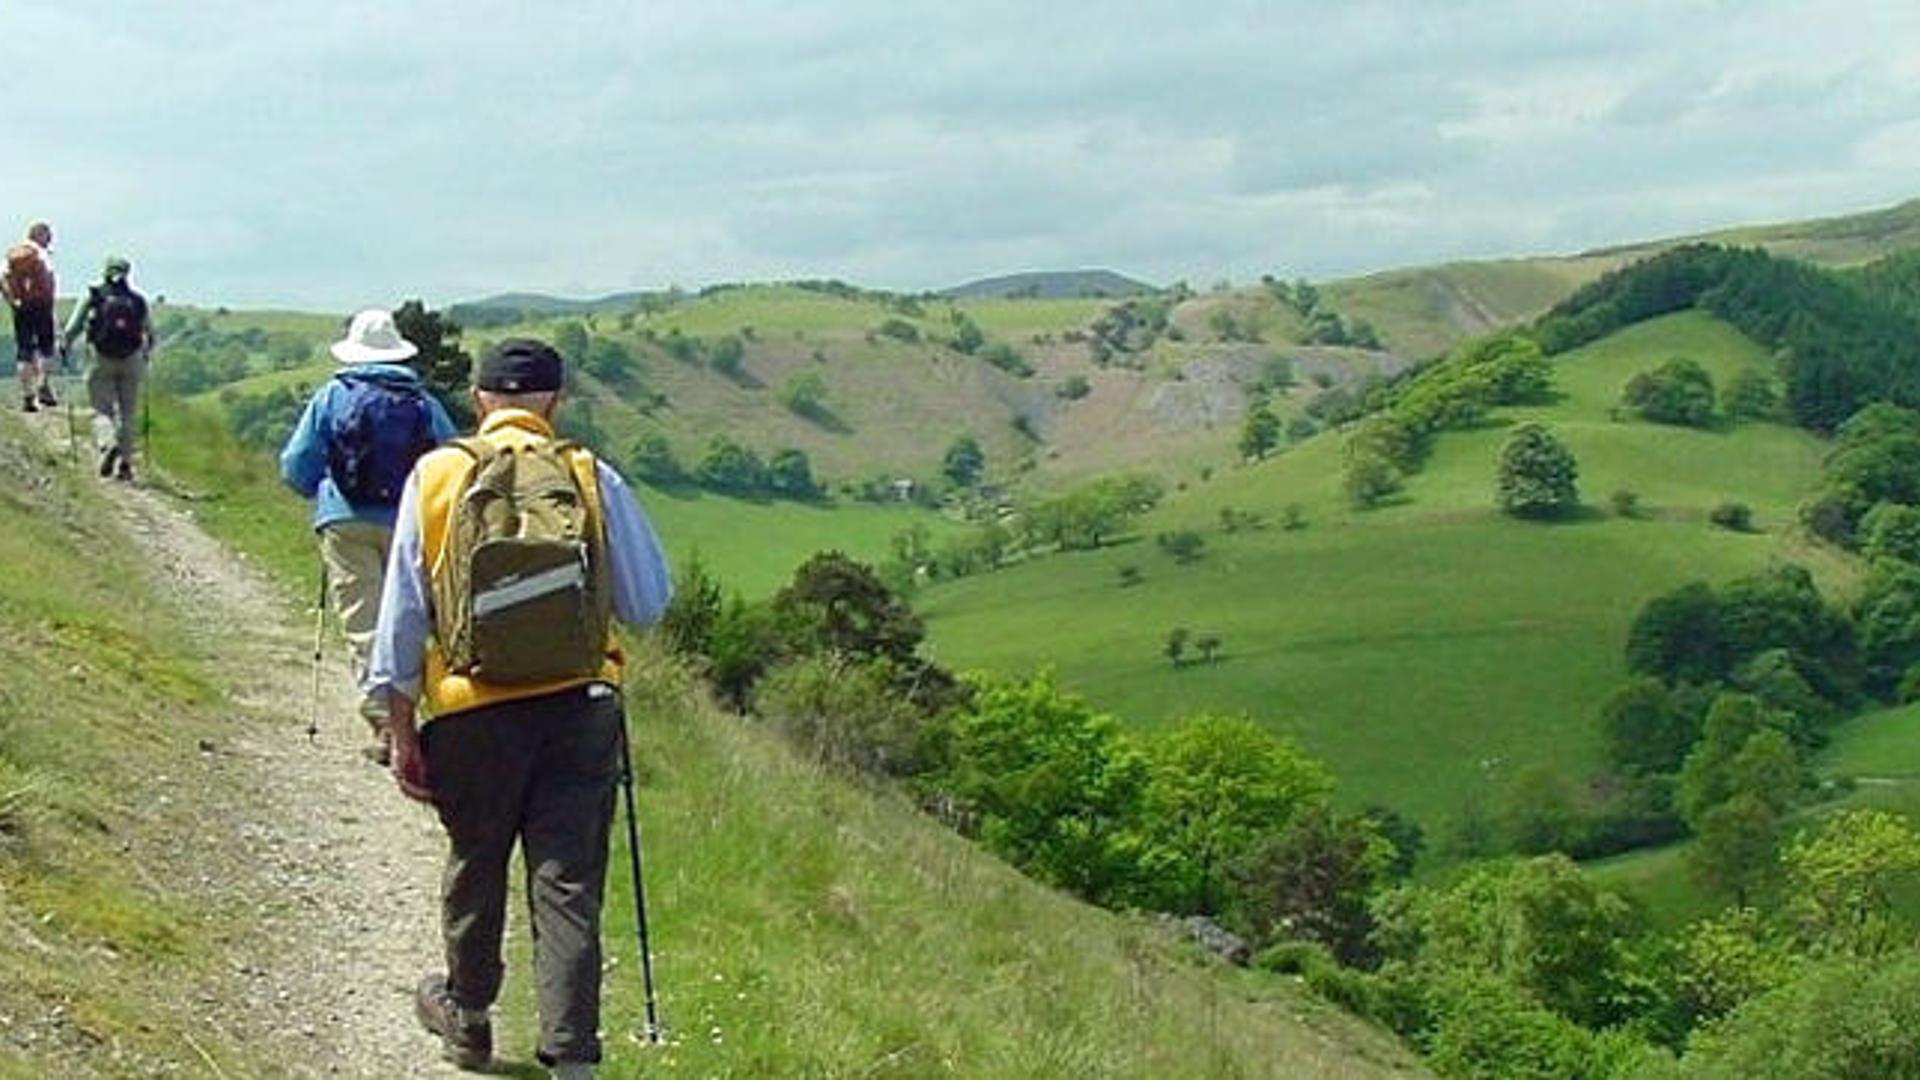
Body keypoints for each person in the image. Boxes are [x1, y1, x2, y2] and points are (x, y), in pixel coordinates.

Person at [366, 338, 671, 1077]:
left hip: (472, 709)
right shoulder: (589, 476)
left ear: (478, 402)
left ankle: (468, 1017)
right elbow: (648, 601)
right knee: (567, 882)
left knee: (477, 862)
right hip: (580, 707)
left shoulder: (438, 475)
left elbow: (402, 618)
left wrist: (399, 726)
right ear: (554, 404)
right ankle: (573, 1058)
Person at [280, 308, 456, 763]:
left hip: (346, 519)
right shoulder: (422, 402)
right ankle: (420, 715)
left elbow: (297, 465)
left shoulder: (333, 395)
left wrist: (322, 493)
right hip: (409, 521)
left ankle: (384, 724)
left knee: (364, 621)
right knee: (409, 618)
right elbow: (453, 463)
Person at [60, 255, 152, 481]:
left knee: (102, 410)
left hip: (100, 358)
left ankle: (108, 443)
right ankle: (126, 464)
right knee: (128, 413)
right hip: (131, 359)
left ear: (105, 271)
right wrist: (146, 356)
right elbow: (151, 333)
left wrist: (65, 347)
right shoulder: (137, 300)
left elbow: (72, 328)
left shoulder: (94, 296)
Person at [3, 221, 59, 413]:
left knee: (24, 350)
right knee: (46, 348)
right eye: (48, 235)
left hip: (21, 306)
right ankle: (43, 386)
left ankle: (28, 395)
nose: (50, 239)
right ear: (39, 235)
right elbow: (50, 281)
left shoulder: (13, 254)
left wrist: (13, 301)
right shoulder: (41, 254)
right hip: (42, 306)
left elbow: (2, 279)